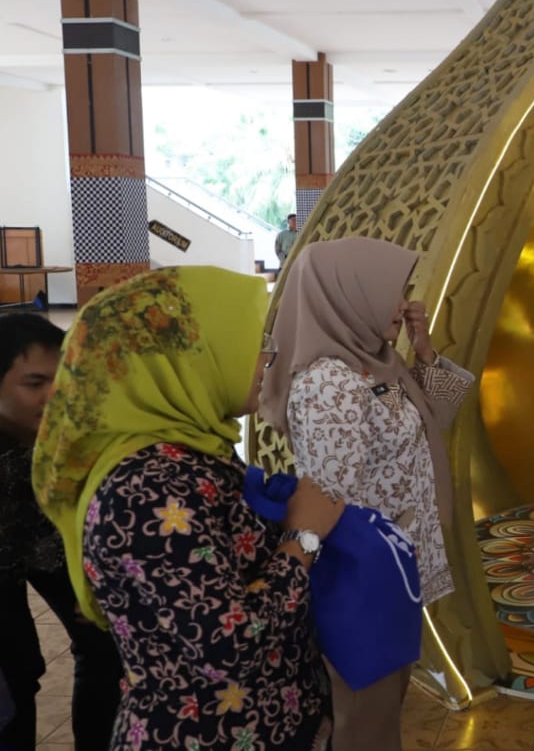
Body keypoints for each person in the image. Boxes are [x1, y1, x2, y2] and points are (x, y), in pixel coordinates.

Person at [31, 267, 343, 751]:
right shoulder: (147, 488)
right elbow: (227, 648)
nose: (268, 358)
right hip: (206, 735)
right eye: (255, 343)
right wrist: (302, 538)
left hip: (267, 723)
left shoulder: (193, 450)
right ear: (186, 356)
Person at [260, 237, 476, 751]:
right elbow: (331, 498)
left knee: (381, 711)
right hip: (361, 579)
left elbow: (432, 421)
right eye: (390, 292)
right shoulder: (328, 384)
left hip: (389, 570)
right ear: (347, 296)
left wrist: (424, 353)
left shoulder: (375, 364)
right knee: (363, 721)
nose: (402, 305)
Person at [0, 313, 122, 751]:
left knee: (102, 644)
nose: (54, 395)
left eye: (62, 378)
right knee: (15, 673)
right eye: (34, 383)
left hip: (45, 545)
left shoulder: (69, 429)